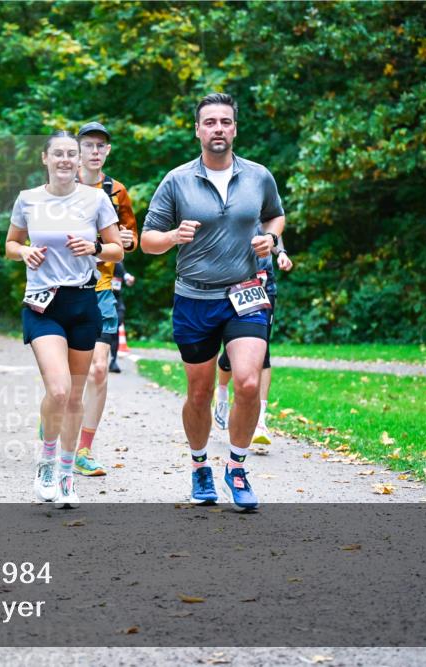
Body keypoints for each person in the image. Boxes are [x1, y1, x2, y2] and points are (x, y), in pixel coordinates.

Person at [140, 92, 285, 510]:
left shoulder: (258, 176)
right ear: (198, 130)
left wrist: (271, 238)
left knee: (249, 382)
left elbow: (275, 214)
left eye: (225, 121)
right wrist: (172, 237)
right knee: (200, 393)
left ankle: (236, 468)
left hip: (246, 293)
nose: (218, 128)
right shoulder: (177, 180)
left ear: (234, 129)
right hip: (194, 298)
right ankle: (200, 465)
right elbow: (147, 241)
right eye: (210, 122)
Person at [5, 130, 124, 508]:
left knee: (74, 396)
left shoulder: (96, 199)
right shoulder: (28, 199)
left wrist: (94, 247)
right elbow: (10, 244)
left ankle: (68, 472)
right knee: (58, 390)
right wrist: (24, 253)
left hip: (83, 302)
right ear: (45, 158)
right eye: (58, 153)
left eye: (72, 154)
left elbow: (117, 249)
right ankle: (47, 460)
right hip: (43, 304)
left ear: (79, 160)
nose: (66, 160)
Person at [73, 121, 138, 477]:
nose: (95, 151)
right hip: (64, 290)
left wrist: (127, 241)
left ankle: (84, 449)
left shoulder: (117, 191)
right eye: (89, 145)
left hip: (101, 290)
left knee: (99, 369)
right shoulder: (61, 186)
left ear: (108, 150)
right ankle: (54, 414)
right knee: (70, 376)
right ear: (78, 149)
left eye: (101, 145)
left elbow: (131, 239)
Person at [214, 238, 295, 443]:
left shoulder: (266, 215)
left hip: (263, 285)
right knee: (232, 352)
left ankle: (260, 421)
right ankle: (221, 392)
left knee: (262, 352)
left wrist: (281, 252)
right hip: (232, 282)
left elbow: (273, 232)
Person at [108, 261, 135, 373]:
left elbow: (125, 275)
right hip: (101, 301)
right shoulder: (99, 260)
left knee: (115, 328)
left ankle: (113, 361)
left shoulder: (118, 263)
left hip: (117, 302)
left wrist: (129, 279)